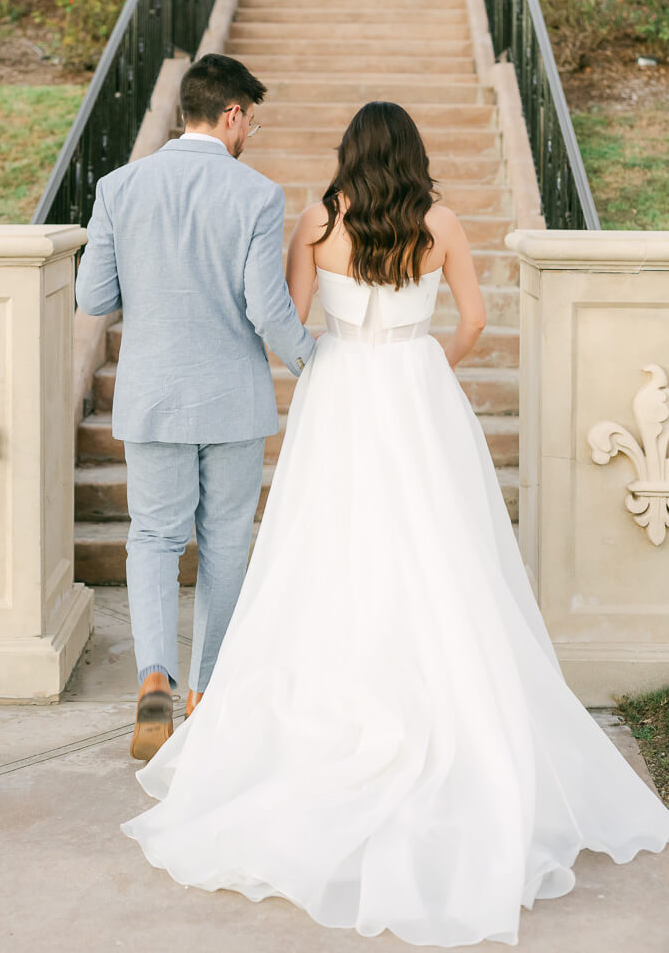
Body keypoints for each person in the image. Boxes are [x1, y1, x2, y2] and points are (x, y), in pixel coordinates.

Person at [119, 101, 669, 947]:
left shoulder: (315, 218)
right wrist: (425, 363)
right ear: (412, 154)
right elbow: (477, 321)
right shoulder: (441, 220)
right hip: (417, 394)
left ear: (349, 153)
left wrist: (344, 355)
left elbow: (293, 323)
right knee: (442, 547)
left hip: (339, 391)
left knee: (326, 546)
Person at [75, 53, 315, 760]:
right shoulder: (257, 195)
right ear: (233, 113)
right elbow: (266, 307)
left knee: (152, 537)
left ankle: (155, 676)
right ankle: (207, 692)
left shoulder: (120, 188)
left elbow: (93, 298)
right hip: (231, 400)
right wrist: (315, 361)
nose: (253, 135)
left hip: (153, 397)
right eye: (253, 121)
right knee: (226, 543)